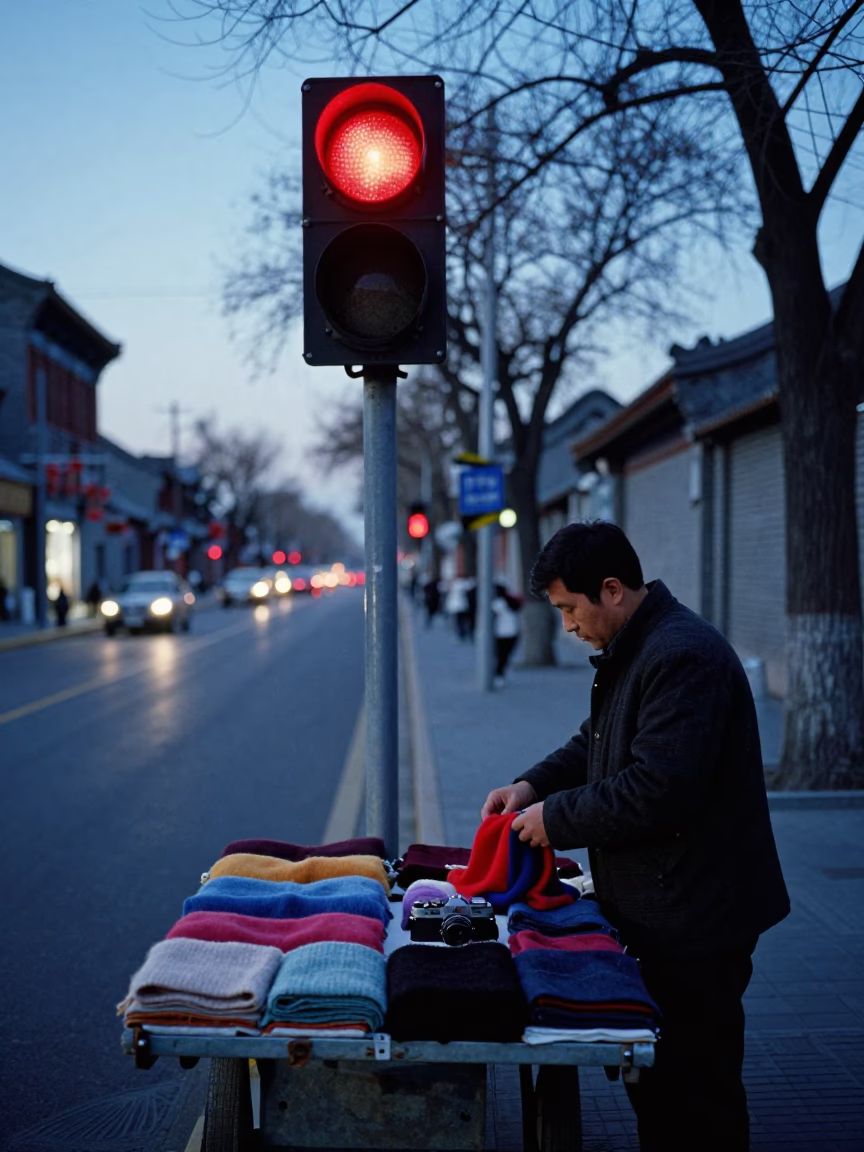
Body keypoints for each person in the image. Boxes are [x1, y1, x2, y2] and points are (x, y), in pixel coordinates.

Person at [481, 520, 789, 1152]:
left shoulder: (683, 656)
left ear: (612, 589)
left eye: (570, 609)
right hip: (662, 910)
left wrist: (554, 820)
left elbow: (657, 788)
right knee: (660, 1086)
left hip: (699, 917)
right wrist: (531, 787)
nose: (567, 626)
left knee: (695, 1092)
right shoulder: (636, 647)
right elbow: (594, 744)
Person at [491, 581, 521, 686]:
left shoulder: (496, 603)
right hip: (513, 632)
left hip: (499, 633)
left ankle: (498, 675)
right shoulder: (512, 601)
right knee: (505, 656)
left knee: (499, 655)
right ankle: (500, 674)